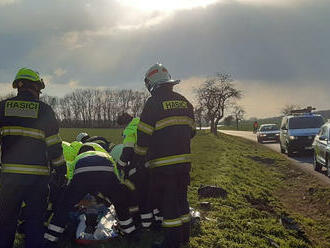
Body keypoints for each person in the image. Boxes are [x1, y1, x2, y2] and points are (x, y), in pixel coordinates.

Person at [0, 68, 66, 248]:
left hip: (9, 178)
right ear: (34, 87)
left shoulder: (3, 108)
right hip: (37, 178)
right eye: (39, 89)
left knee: (5, 221)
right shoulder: (44, 110)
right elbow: (54, 144)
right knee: (35, 221)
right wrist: (61, 168)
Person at [135, 63, 196, 248]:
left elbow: (143, 136)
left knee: (169, 206)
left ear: (151, 83)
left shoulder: (153, 103)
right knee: (182, 201)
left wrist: (139, 159)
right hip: (184, 164)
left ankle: (171, 243)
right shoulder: (185, 101)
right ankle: (184, 239)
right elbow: (192, 131)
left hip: (162, 165)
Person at [43, 143, 136, 247]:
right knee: (120, 205)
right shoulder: (105, 155)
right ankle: (131, 235)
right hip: (106, 170)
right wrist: (111, 197)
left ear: (80, 153)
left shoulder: (78, 158)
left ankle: (50, 239)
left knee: (64, 207)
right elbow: (116, 178)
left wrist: (72, 198)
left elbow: (70, 181)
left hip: (82, 172)